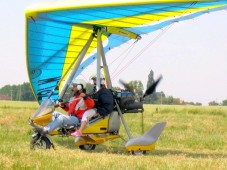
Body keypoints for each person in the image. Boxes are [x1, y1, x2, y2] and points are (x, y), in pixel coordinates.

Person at [30, 79, 94, 135]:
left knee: (61, 118)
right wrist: (63, 106)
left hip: (78, 120)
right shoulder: (74, 98)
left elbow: (91, 105)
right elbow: (70, 109)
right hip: (71, 117)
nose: (73, 87)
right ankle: (41, 126)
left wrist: (85, 97)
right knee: (54, 113)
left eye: (74, 86)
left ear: (80, 87)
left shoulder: (85, 97)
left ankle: (45, 130)